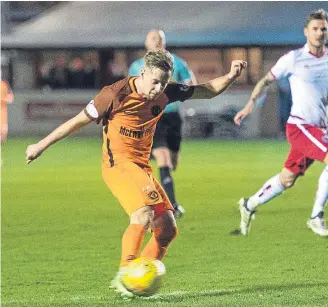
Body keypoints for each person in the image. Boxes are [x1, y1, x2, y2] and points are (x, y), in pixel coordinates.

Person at [26, 50, 246, 298]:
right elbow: (76, 122)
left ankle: (139, 280)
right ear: (142, 73)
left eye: (164, 82)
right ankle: (125, 276)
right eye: (155, 82)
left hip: (141, 166)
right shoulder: (114, 94)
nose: (158, 88)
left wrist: (231, 75)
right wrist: (40, 146)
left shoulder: (166, 91)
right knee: (143, 214)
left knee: (167, 229)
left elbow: (207, 90)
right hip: (117, 164)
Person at [232, 9, 328, 237]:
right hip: (300, 126)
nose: (320, 33)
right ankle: (316, 216)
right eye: (315, 29)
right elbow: (265, 80)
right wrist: (249, 104)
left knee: (287, 179)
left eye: (324, 29)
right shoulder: (294, 59)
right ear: (306, 32)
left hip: (317, 129)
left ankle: (248, 205)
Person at [129, 30, 196, 218]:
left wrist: (177, 86)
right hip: (152, 117)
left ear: (165, 42)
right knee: (163, 158)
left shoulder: (178, 63)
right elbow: (133, 89)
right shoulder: (136, 66)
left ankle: (149, 160)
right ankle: (172, 205)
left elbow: (192, 84)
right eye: (153, 39)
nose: (157, 41)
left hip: (173, 117)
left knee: (172, 162)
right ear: (146, 43)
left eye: (160, 39)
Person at [1, 79, 14, 144]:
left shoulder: (4, 84)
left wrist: (5, 99)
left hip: (3, 112)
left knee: (3, 133)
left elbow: (10, 98)